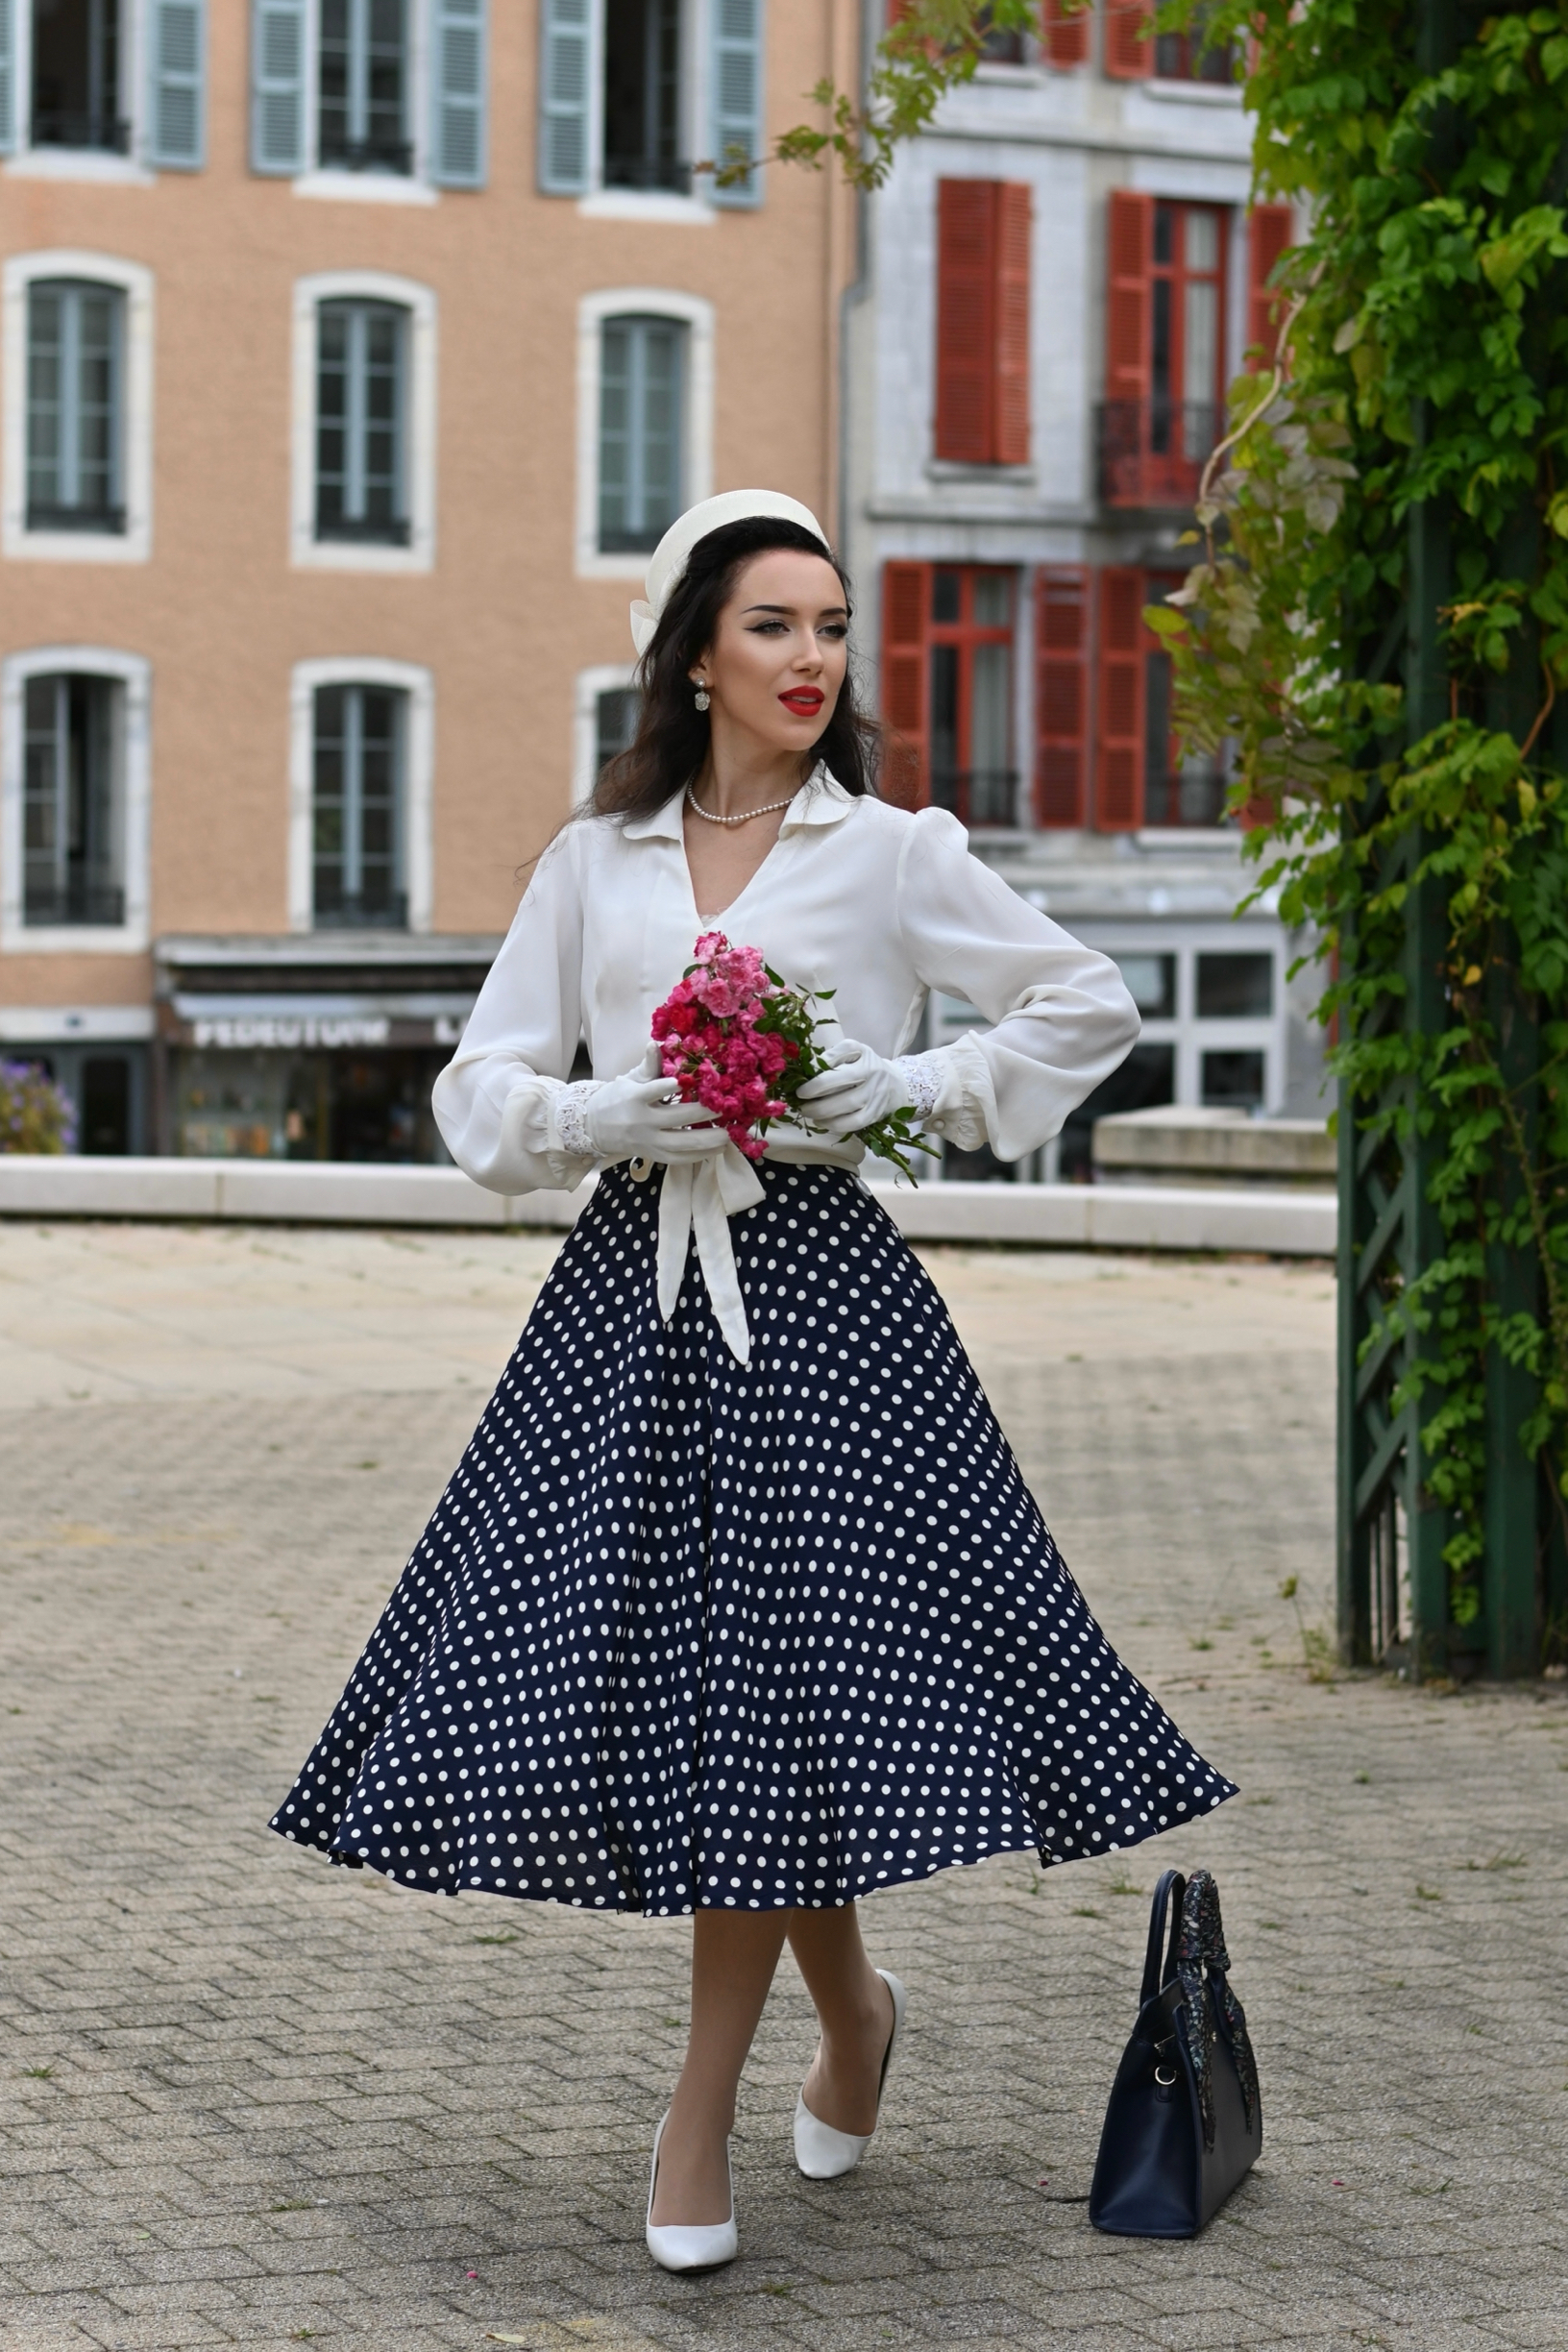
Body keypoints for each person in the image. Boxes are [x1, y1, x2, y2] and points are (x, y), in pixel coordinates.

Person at [270, 489, 1237, 2273]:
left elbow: (1082, 1003)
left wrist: (903, 1091)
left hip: (826, 1316)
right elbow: (479, 1086)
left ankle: (694, 2113)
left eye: (834, 627)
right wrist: (590, 1114)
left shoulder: (889, 848)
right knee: (735, 1716)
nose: (814, 659)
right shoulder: (596, 860)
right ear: (696, 650)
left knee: (771, 1710)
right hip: (631, 1303)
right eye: (777, 625)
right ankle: (855, 2014)